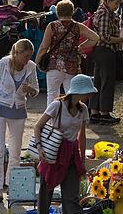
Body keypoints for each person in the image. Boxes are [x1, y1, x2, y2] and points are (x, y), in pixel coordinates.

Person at [35, 74, 97, 214]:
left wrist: (82, 161)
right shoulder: (57, 105)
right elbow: (38, 126)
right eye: (88, 92)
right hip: (53, 152)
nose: (90, 95)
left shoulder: (83, 109)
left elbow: (82, 136)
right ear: (79, 91)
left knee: (71, 198)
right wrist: (39, 147)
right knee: (46, 194)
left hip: (71, 155)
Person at [36, 0, 99, 106]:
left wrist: (38, 60)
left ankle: (52, 119)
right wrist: (81, 47)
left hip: (54, 64)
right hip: (72, 65)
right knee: (71, 94)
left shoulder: (52, 26)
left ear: (58, 12)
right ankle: (70, 117)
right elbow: (95, 38)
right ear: (72, 12)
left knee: (52, 94)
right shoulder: (77, 26)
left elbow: (44, 46)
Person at [0, 39, 38, 198]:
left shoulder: (31, 67)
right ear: (17, 53)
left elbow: (36, 90)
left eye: (30, 56)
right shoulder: (3, 63)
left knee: (15, 150)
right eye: (26, 56)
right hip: (1, 107)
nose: (28, 59)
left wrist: (30, 89)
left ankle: (11, 184)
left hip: (19, 110)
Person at [90, 0, 123, 125]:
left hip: (99, 51)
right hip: (105, 50)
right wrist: (120, 39)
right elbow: (104, 37)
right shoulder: (105, 14)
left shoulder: (103, 12)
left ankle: (95, 112)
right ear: (108, 1)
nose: (117, 6)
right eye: (116, 3)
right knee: (107, 82)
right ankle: (104, 112)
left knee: (98, 81)